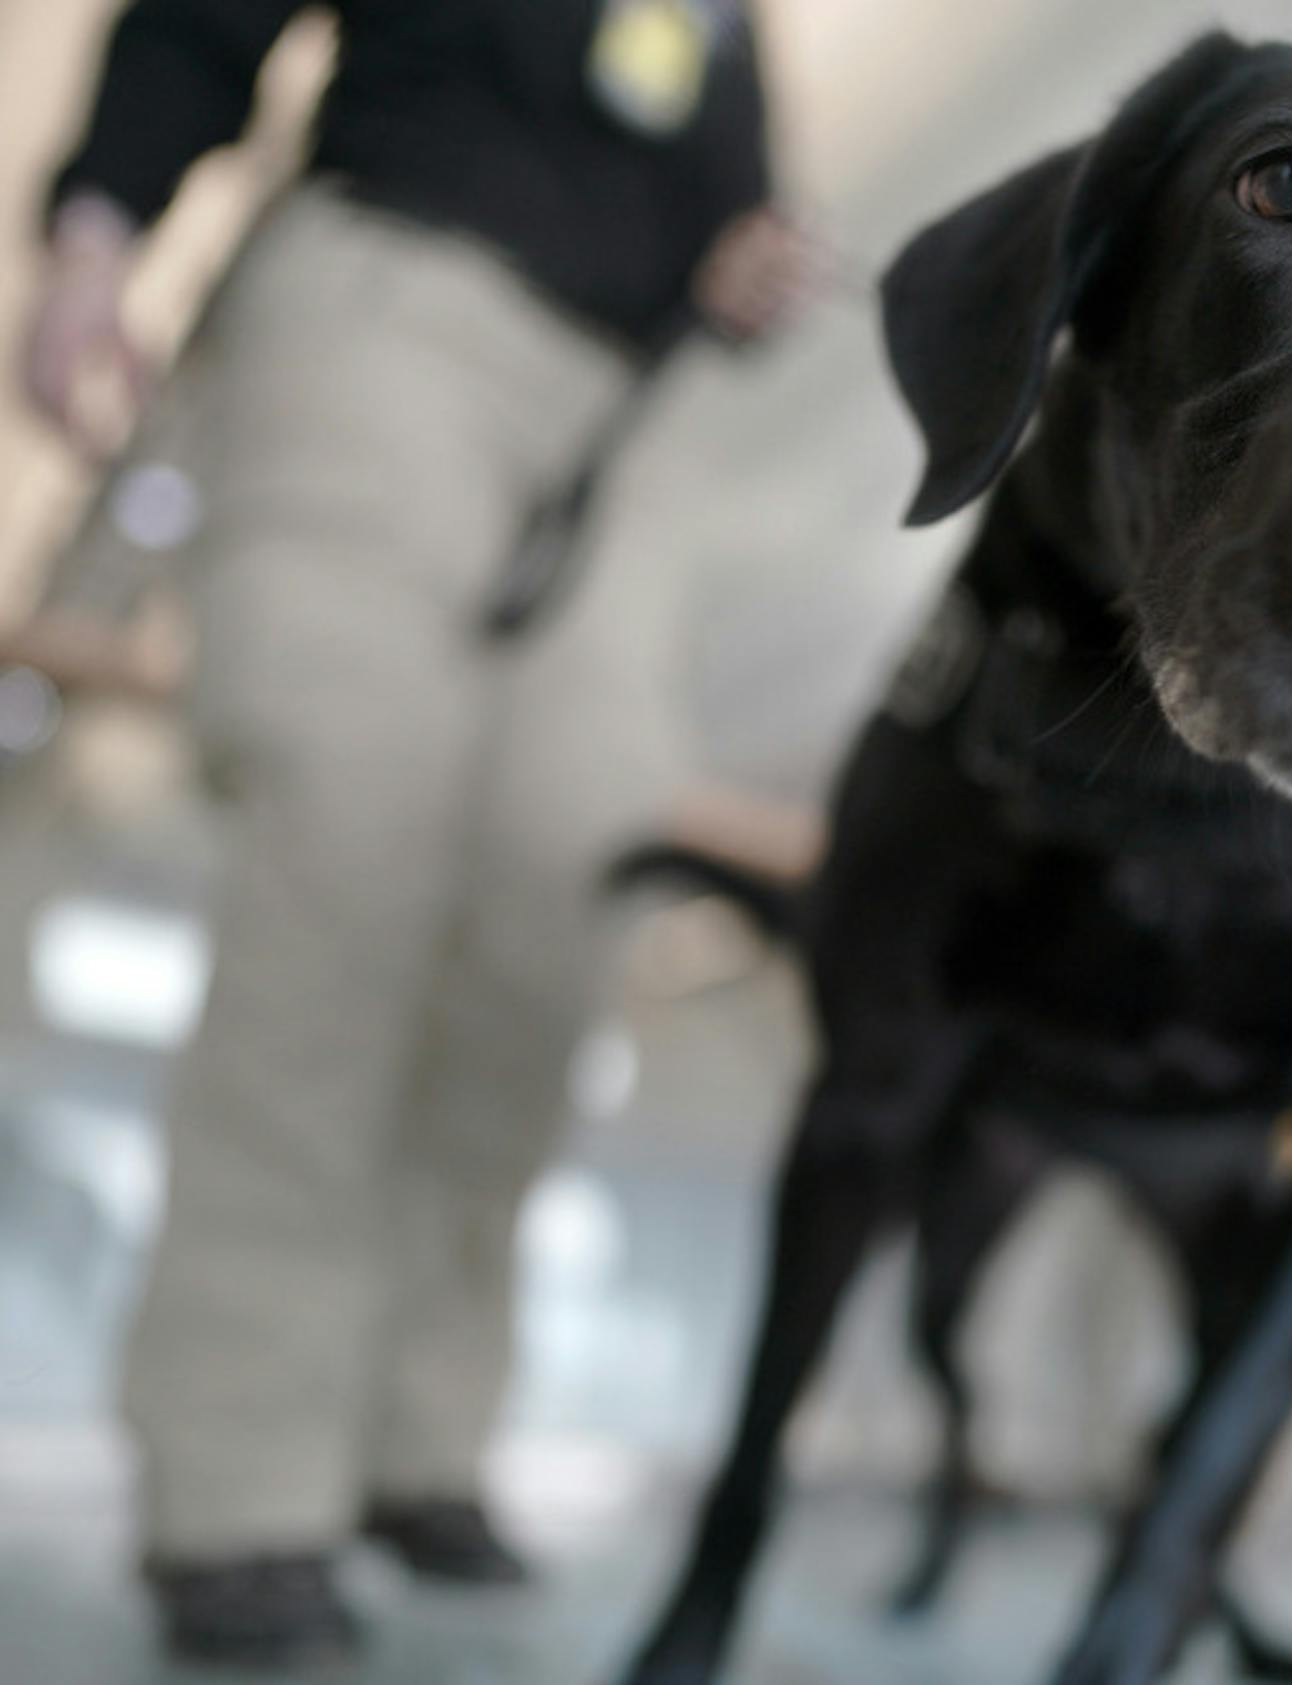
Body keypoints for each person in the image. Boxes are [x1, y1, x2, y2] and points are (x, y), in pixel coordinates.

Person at [19, 1, 818, 1668]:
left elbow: (732, 207)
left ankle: (419, 1443)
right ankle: (236, 1481)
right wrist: (97, 237)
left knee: (559, 898)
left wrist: (748, 272)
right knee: (347, 858)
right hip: (393, 306)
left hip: (625, 420)